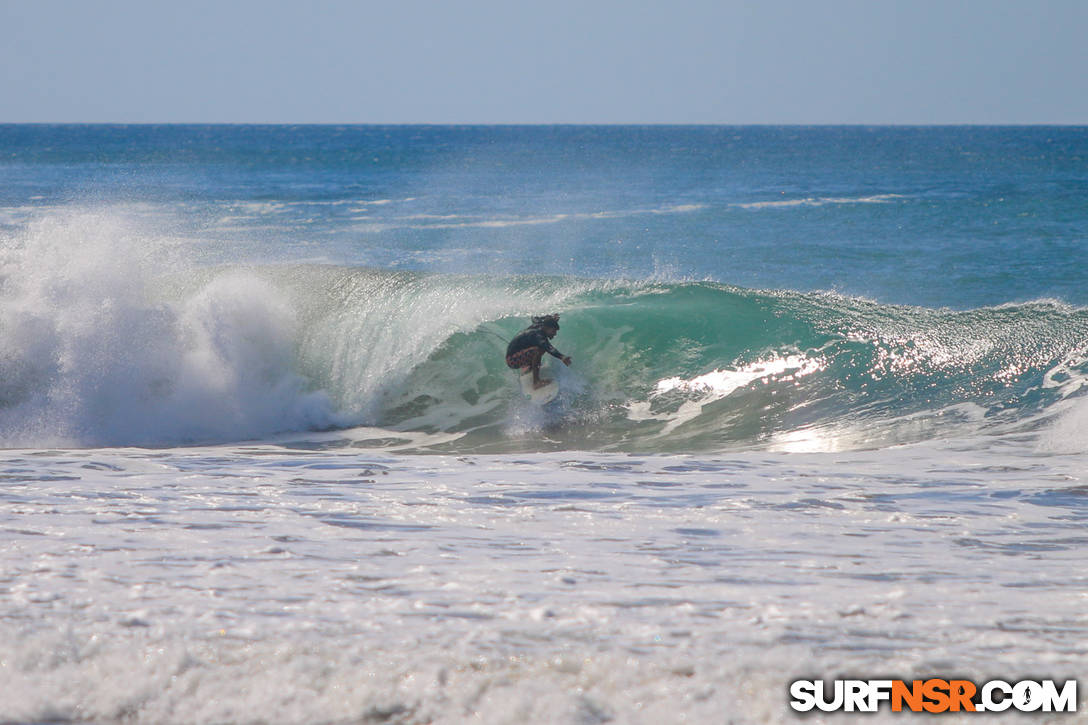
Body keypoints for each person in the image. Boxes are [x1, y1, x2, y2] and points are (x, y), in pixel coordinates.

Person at [505, 314, 572, 388]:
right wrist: (562, 357)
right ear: (546, 328)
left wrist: (551, 318)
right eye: (553, 331)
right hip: (512, 360)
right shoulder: (538, 335)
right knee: (539, 350)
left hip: (517, 354)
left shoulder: (539, 324)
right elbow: (549, 348)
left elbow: (534, 317)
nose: (555, 334)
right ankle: (536, 382)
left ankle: (530, 367)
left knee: (538, 348)